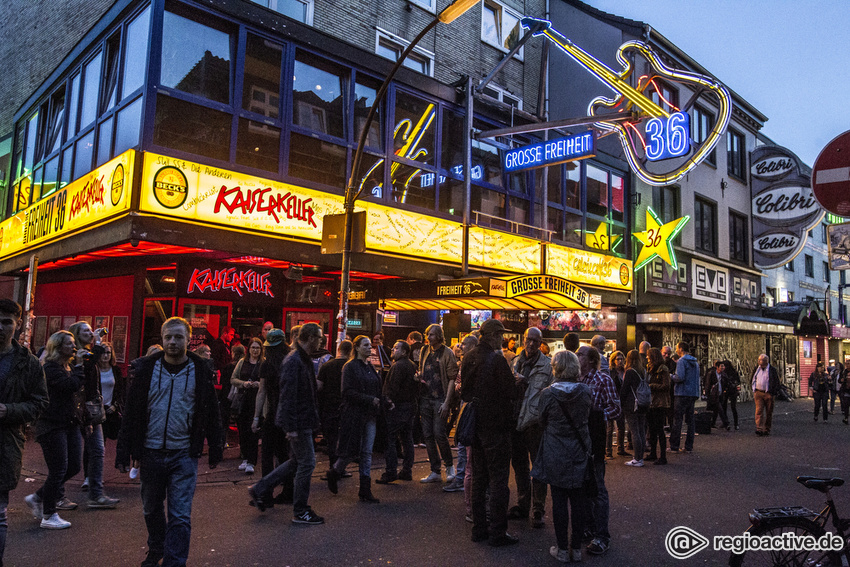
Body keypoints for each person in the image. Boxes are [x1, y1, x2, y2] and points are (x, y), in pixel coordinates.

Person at [116, 317, 224, 567]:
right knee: (151, 509)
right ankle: (157, 548)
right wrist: (124, 451)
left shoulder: (200, 372)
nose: (173, 342)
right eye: (168, 337)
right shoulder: (145, 371)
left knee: (179, 515)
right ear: (162, 339)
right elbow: (131, 413)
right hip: (150, 452)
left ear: (188, 340)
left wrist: (216, 447)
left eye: (178, 337)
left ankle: (174, 561)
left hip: (184, 454)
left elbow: (211, 413)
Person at [248, 323, 325, 525]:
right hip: (299, 421)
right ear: (309, 338)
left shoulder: (300, 358)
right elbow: (287, 396)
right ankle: (300, 510)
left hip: (302, 419)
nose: (321, 341)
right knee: (307, 463)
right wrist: (290, 427)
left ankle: (260, 489)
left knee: (297, 461)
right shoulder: (294, 360)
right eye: (319, 337)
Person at [461, 318, 520, 547]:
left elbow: (464, 391)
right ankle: (498, 532)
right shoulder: (497, 360)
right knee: (498, 481)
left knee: (479, 478)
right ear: (493, 335)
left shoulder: (468, 357)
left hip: (475, 425)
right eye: (500, 335)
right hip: (496, 426)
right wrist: (518, 382)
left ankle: (479, 529)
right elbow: (510, 392)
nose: (502, 339)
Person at [531, 350, 592, 564]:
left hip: (555, 451)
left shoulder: (548, 394)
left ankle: (562, 549)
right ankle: (576, 548)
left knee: (558, 501)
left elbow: (541, 420)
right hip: (579, 452)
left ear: (555, 368)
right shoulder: (585, 392)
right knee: (578, 501)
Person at [0, 299, 48, 559]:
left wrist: (10, 411)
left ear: (18, 325)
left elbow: (40, 402)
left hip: (5, 445)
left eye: (6, 322)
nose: (0, 327)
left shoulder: (28, 363)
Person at [27, 331, 85, 530]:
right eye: (69, 344)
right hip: (52, 424)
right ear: (59, 347)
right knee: (58, 468)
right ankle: (49, 514)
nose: (73, 346)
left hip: (69, 423)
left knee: (74, 466)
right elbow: (71, 386)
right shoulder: (50, 368)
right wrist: (79, 366)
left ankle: (38, 497)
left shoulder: (65, 367)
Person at [68, 321, 119, 509]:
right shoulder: (78, 355)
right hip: (79, 409)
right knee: (70, 457)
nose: (90, 333)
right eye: (85, 331)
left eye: (91, 330)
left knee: (97, 450)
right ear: (76, 335)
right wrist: (98, 342)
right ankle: (48, 494)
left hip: (92, 409)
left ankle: (96, 494)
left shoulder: (89, 354)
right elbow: (87, 369)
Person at [326, 336, 383, 503]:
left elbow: (377, 389)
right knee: (351, 451)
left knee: (366, 452)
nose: (369, 348)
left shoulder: (370, 367)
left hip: (370, 415)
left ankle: (365, 489)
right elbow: (347, 392)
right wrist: (369, 399)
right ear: (356, 348)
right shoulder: (349, 367)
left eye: (370, 345)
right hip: (354, 415)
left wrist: (383, 400)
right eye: (365, 345)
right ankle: (335, 472)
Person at [576, 345, 621, 556]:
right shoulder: (575, 380)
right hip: (577, 442)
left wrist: (598, 415)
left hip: (594, 439)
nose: (577, 357)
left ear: (592, 360)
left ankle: (602, 535)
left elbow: (616, 407)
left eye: (580, 354)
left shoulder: (603, 380)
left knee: (598, 487)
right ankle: (588, 525)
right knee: (582, 486)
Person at [509, 327, 553, 528]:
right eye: (529, 340)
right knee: (519, 466)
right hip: (516, 419)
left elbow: (549, 394)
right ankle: (523, 503)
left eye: (536, 341)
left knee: (538, 467)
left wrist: (526, 383)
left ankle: (537, 509)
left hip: (534, 422)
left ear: (541, 342)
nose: (532, 344)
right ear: (523, 339)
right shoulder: (515, 362)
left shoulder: (547, 366)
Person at [251, 329, 291, 504]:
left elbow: (262, 392)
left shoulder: (266, 364)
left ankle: (266, 494)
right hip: (288, 416)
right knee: (285, 455)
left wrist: (256, 417)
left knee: (267, 455)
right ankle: (289, 492)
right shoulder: (291, 361)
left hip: (273, 414)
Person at [417, 324, 458, 484]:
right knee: (427, 434)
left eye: (432, 335)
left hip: (440, 398)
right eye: (428, 334)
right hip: (425, 398)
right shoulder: (424, 351)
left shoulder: (447, 353)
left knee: (439, 433)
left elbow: (452, 378)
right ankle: (435, 470)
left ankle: (449, 466)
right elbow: (422, 369)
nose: (429, 337)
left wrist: (447, 402)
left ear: (439, 336)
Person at [377, 341, 418, 485]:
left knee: (390, 439)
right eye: (393, 347)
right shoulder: (412, 365)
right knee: (407, 439)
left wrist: (388, 402)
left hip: (398, 407)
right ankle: (407, 470)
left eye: (396, 348)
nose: (393, 350)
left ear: (405, 352)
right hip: (410, 407)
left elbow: (392, 388)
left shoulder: (398, 366)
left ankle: (390, 472)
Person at [316, 340, 352, 480]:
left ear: (339, 349)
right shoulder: (351, 366)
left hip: (329, 406)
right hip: (346, 407)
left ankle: (333, 467)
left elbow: (319, 386)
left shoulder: (327, 366)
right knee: (344, 439)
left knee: (331, 440)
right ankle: (340, 468)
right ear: (350, 351)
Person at [231, 337, 263, 474]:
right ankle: (245, 457)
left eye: (257, 348)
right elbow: (233, 379)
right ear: (248, 349)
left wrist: (258, 384)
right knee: (242, 430)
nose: (255, 350)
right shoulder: (241, 362)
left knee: (253, 430)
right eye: (253, 347)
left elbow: (268, 382)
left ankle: (252, 461)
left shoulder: (263, 363)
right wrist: (243, 383)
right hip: (243, 400)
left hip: (257, 400)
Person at [669, 342, 700, 453]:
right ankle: (688, 446)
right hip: (692, 393)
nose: (676, 350)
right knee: (690, 421)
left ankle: (674, 446)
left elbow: (680, 377)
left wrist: (670, 376)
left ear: (681, 349)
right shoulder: (695, 363)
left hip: (681, 393)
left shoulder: (682, 361)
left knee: (677, 420)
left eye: (677, 348)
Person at [620, 350, 647, 467]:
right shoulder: (643, 371)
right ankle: (640, 457)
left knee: (634, 431)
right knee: (641, 430)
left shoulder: (630, 372)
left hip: (632, 403)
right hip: (642, 402)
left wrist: (620, 403)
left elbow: (625, 389)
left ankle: (637, 458)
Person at [644, 348, 670, 465]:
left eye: (648, 356)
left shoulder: (662, 369)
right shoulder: (650, 368)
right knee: (652, 429)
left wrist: (652, 386)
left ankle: (663, 456)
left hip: (660, 402)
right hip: (651, 402)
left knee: (659, 429)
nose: (647, 358)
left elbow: (666, 385)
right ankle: (653, 453)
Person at [96, 341, 125, 442]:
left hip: (110, 410)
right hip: (96, 410)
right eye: (103, 353)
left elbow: (120, 390)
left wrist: (115, 405)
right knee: (97, 441)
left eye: (108, 353)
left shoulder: (115, 370)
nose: (105, 355)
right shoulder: (95, 369)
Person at [605, 351, 628, 459]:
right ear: (613, 361)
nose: (620, 361)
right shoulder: (611, 372)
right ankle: (608, 451)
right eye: (617, 359)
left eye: (621, 359)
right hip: (612, 401)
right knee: (610, 427)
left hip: (622, 401)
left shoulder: (625, 372)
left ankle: (621, 448)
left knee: (621, 426)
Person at [751, 354, 781, 436]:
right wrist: (754, 389)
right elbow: (753, 378)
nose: (759, 362)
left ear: (766, 361)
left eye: (761, 360)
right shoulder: (757, 369)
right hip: (758, 392)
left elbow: (776, 382)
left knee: (768, 412)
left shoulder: (772, 370)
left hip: (768, 393)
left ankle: (767, 428)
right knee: (759, 411)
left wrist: (772, 393)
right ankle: (759, 428)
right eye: (759, 360)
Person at [704, 360, 730, 430]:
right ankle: (726, 423)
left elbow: (727, 383)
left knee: (716, 410)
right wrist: (707, 393)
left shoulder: (723, 375)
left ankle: (712, 423)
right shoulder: (711, 373)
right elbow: (707, 384)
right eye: (721, 366)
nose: (723, 368)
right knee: (720, 409)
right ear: (717, 367)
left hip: (720, 394)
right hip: (713, 395)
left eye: (723, 366)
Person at [721, 360, 741, 430]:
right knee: (732, 407)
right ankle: (735, 423)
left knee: (725, 407)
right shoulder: (734, 372)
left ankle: (726, 422)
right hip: (732, 390)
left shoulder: (724, 373)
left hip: (728, 390)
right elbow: (738, 381)